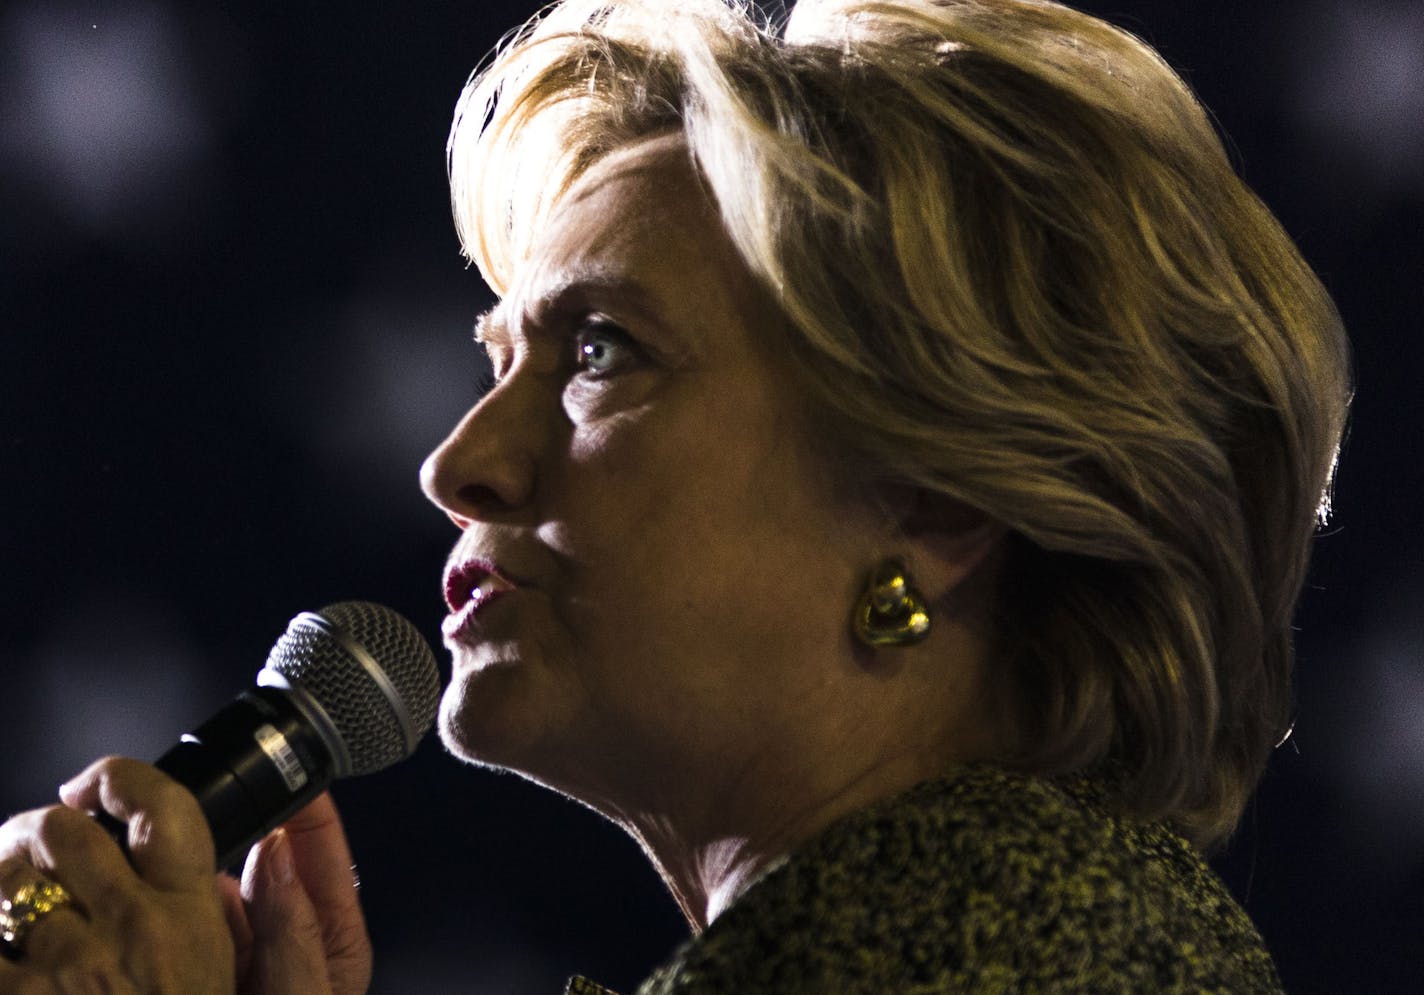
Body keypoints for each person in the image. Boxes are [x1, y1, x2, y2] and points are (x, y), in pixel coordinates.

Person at [0, 0, 1350, 991]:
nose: (459, 464)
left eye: (599, 355)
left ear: (940, 502)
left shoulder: (995, 942)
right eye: (500, 357)